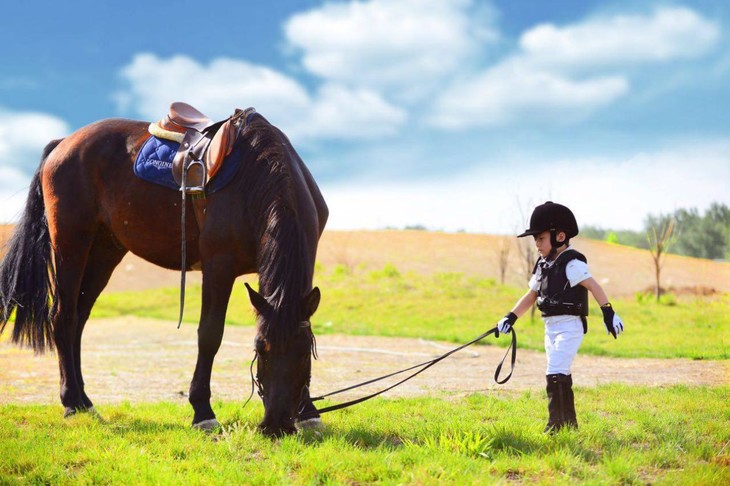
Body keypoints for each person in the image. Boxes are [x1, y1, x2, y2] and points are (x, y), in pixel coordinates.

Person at [496, 201, 624, 433]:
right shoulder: (543, 265)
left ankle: (555, 425)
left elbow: (593, 286)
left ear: (560, 236)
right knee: (560, 371)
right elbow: (531, 294)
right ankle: (569, 424)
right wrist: (510, 317)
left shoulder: (572, 264)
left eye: (541, 238)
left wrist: (608, 312)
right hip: (550, 327)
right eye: (535, 239)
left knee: (554, 370)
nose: (537, 244)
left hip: (569, 326)